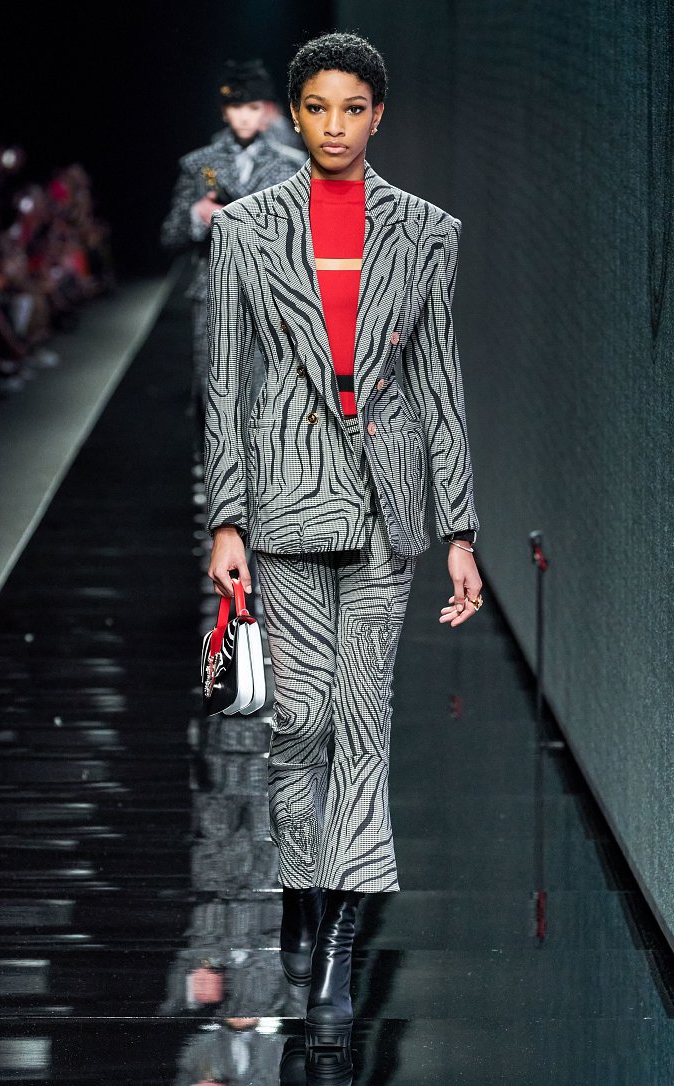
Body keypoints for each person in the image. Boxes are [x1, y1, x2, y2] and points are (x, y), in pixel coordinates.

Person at [204, 32, 483, 1049]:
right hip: (283, 494)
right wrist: (226, 519)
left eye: (352, 107)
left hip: (383, 504)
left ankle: (338, 941)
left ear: (377, 114)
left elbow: (440, 383)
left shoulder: (426, 232)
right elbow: (225, 381)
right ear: (296, 112)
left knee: (363, 720)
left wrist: (459, 529)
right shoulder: (245, 230)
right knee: (302, 723)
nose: (333, 126)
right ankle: (302, 885)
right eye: (316, 107)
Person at [160, 60, 304, 448]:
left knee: (267, 391)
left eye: (253, 107)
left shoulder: (292, 167)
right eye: (237, 107)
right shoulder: (198, 165)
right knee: (214, 389)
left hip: (271, 295)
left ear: (266, 110)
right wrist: (196, 216)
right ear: (225, 112)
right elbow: (169, 236)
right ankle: (217, 476)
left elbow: (302, 241)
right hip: (214, 293)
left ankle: (261, 479)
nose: (244, 116)